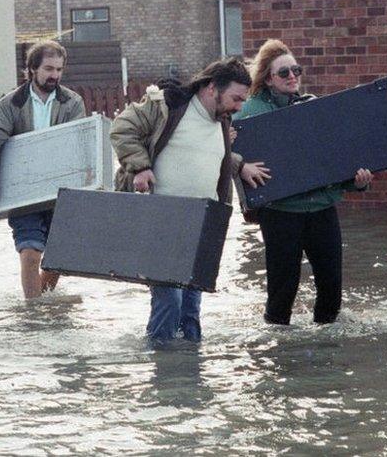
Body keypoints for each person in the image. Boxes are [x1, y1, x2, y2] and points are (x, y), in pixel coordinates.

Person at [110, 57, 270, 343]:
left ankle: (191, 377)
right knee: (169, 302)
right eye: (235, 98)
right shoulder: (167, 105)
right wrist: (140, 166)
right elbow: (121, 129)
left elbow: (204, 155)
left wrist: (239, 165)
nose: (239, 106)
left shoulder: (222, 121)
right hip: (160, 223)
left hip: (201, 228)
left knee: (191, 312)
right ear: (211, 88)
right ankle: (163, 371)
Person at [233, 39, 374, 325]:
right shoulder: (248, 113)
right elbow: (220, 146)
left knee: (331, 286)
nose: (292, 76)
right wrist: (241, 164)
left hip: (322, 208)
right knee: (282, 291)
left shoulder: (312, 109)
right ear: (268, 79)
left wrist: (358, 182)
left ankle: (327, 350)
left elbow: (332, 160)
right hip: (281, 214)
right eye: (284, 73)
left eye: (296, 70)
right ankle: (281, 353)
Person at [0, 40, 87, 299]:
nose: (54, 75)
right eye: (48, 69)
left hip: (59, 195)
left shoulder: (72, 103)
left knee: (59, 259)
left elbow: (79, 147)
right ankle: (33, 315)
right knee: (30, 254)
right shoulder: (12, 103)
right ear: (32, 69)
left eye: (59, 69)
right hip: (24, 195)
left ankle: (42, 307)